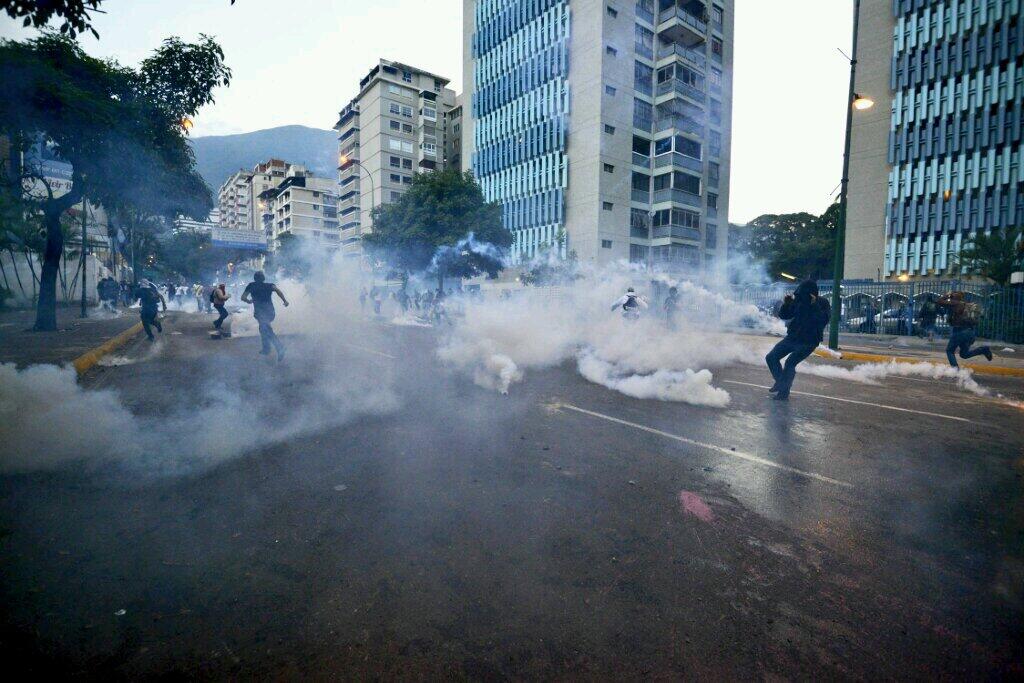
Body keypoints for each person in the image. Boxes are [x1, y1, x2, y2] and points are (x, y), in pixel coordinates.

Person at [765, 279, 831, 401]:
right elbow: (785, 315)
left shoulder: (822, 303)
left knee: (790, 362)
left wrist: (814, 304)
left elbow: (823, 320)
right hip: (793, 337)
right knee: (771, 357)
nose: (801, 298)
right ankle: (782, 384)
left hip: (809, 341)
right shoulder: (799, 301)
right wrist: (787, 304)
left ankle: (783, 391)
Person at [241, 271, 289, 361]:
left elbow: (243, 297)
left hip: (260, 313)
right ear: (263, 278)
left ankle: (279, 347)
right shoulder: (269, 285)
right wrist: (284, 301)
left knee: (266, 329)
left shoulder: (251, 286)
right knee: (263, 329)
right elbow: (278, 291)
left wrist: (249, 301)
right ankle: (266, 349)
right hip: (270, 312)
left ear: (254, 278)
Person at [938, 291, 992, 368]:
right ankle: (983, 349)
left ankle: (956, 371)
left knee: (949, 351)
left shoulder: (955, 303)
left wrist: (947, 295)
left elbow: (939, 301)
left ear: (953, 298)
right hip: (970, 332)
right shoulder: (965, 305)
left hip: (959, 332)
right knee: (964, 354)